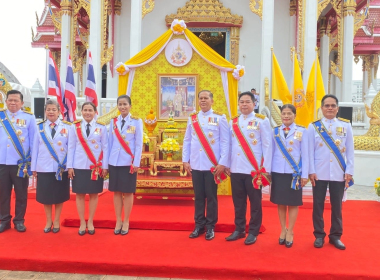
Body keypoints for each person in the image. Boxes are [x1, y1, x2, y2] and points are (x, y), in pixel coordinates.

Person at [225, 91, 272, 245]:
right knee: (238, 202)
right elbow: (228, 146)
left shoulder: (261, 121)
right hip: (236, 168)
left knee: (255, 202)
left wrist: (266, 168)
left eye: (247, 102)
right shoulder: (233, 122)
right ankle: (239, 229)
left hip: (254, 170)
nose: (244, 104)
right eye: (242, 102)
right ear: (238, 104)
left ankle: (253, 231)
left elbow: (267, 145)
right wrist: (226, 164)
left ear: (254, 104)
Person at [308, 94, 354, 250]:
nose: (329, 108)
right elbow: (309, 152)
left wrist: (350, 170)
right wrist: (311, 171)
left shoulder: (346, 126)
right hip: (319, 172)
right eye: (326, 105)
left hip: (338, 171)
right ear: (321, 108)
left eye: (333, 105)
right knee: (318, 205)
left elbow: (350, 151)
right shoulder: (313, 126)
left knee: (337, 206)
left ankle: (335, 236)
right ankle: (319, 235)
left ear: (337, 108)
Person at [183, 90, 229, 241]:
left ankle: (210, 227)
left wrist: (222, 162)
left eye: (206, 98)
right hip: (196, 163)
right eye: (200, 98)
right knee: (198, 197)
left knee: (211, 197)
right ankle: (198, 225)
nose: (203, 101)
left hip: (212, 165)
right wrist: (185, 160)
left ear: (212, 101)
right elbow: (187, 140)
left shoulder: (220, 118)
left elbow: (224, 141)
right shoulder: (192, 119)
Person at [270, 104, 308, 248]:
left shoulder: (302, 131)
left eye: (289, 114)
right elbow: (270, 153)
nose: (286, 116)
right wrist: (268, 171)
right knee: (280, 202)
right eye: (284, 113)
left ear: (294, 115)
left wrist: (304, 175)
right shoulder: (275, 131)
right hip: (278, 171)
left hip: (294, 173)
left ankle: (290, 231)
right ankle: (282, 230)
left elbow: (305, 154)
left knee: (293, 203)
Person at [67, 102, 108, 236]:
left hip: (95, 166)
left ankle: (90, 221)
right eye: (85, 110)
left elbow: (105, 147)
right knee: (79, 194)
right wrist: (70, 166)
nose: (87, 113)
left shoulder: (101, 127)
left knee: (93, 194)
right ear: (81, 112)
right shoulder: (75, 127)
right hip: (79, 165)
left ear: (95, 112)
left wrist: (105, 166)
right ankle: (82, 222)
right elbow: (71, 147)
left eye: (90, 110)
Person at [31, 99, 71, 233]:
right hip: (44, 166)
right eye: (48, 109)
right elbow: (35, 148)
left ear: (59, 111)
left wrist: (70, 166)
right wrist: (34, 167)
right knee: (46, 196)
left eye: (54, 109)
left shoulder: (67, 127)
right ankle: (48, 220)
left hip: (61, 167)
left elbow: (70, 149)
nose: (51, 112)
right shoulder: (39, 127)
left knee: (60, 195)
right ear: (45, 111)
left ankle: (57, 220)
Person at [0, 90, 37, 233]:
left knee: (21, 193)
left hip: (21, 164)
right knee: (3, 194)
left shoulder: (29, 118)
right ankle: (4, 220)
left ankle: (19, 221)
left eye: (16, 100)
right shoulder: (1, 116)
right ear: (6, 101)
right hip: (2, 163)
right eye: (10, 100)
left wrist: (32, 163)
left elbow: (34, 141)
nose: (13, 103)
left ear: (22, 103)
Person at [108, 95, 143, 235]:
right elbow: (110, 143)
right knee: (116, 192)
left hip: (128, 162)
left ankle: (126, 220)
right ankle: (118, 220)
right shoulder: (113, 122)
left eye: (125, 104)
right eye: (120, 104)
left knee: (128, 192)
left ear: (130, 106)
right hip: (114, 161)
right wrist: (106, 164)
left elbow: (139, 144)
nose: (122, 107)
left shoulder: (136, 121)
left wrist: (136, 162)